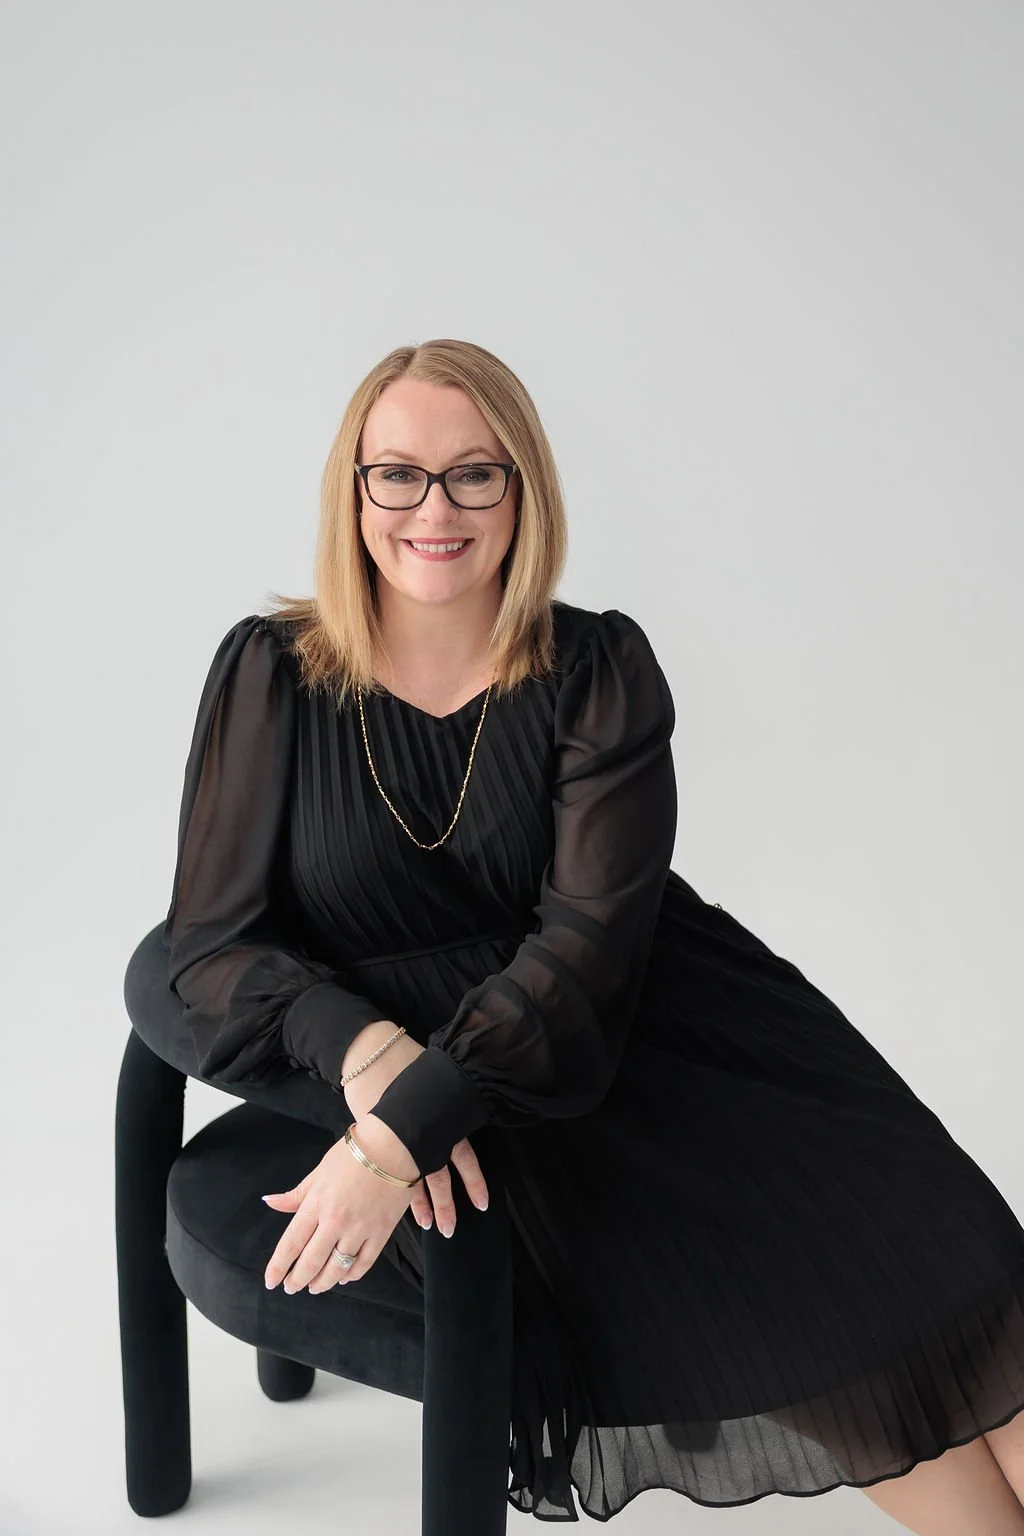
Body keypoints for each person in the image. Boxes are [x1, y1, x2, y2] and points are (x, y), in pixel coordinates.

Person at [162, 338, 1024, 1530]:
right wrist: (370, 1060)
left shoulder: (598, 668)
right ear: (351, 490)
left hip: (658, 1035)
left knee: (949, 1265)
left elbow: (580, 958)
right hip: (528, 1125)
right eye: (398, 473)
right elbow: (205, 948)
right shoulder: (273, 673)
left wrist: (384, 1148)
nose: (435, 508)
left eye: (477, 473)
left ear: (524, 492)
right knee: (836, 1333)